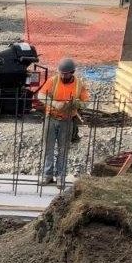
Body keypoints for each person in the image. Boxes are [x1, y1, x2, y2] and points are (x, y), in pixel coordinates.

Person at [37, 57, 89, 188]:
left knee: (63, 150)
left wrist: (75, 103)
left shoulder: (78, 84)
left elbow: (86, 102)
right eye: (61, 73)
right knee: (48, 148)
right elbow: (41, 95)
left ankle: (60, 176)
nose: (63, 75)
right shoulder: (53, 81)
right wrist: (54, 103)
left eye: (66, 73)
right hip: (51, 117)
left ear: (72, 72)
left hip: (67, 120)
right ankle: (47, 175)